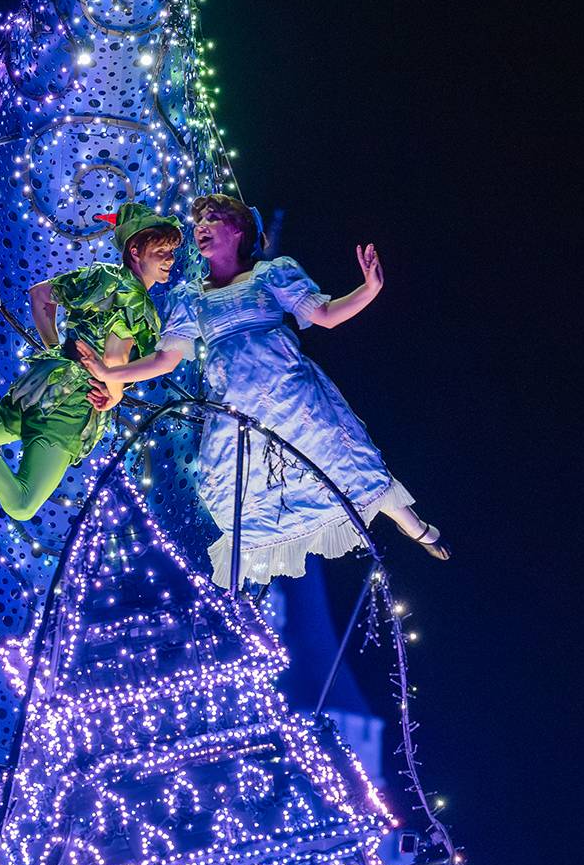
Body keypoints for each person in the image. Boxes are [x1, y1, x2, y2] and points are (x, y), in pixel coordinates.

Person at [169, 193, 448, 583]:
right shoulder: (190, 296)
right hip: (235, 408)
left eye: (211, 218)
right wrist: (112, 375)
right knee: (233, 491)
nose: (200, 226)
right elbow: (166, 358)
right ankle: (238, 597)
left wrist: (368, 290)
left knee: (341, 460)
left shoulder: (270, 274)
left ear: (237, 230)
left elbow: (324, 315)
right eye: (198, 220)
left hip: (291, 395)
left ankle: (414, 525)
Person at [0, 203, 192, 521]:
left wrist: (58, 352)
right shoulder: (135, 300)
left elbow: (39, 296)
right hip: (69, 405)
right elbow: (114, 357)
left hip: (39, 383)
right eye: (161, 251)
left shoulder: (99, 275)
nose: (170, 259)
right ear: (136, 250)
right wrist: (112, 393)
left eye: (171, 251)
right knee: (21, 504)